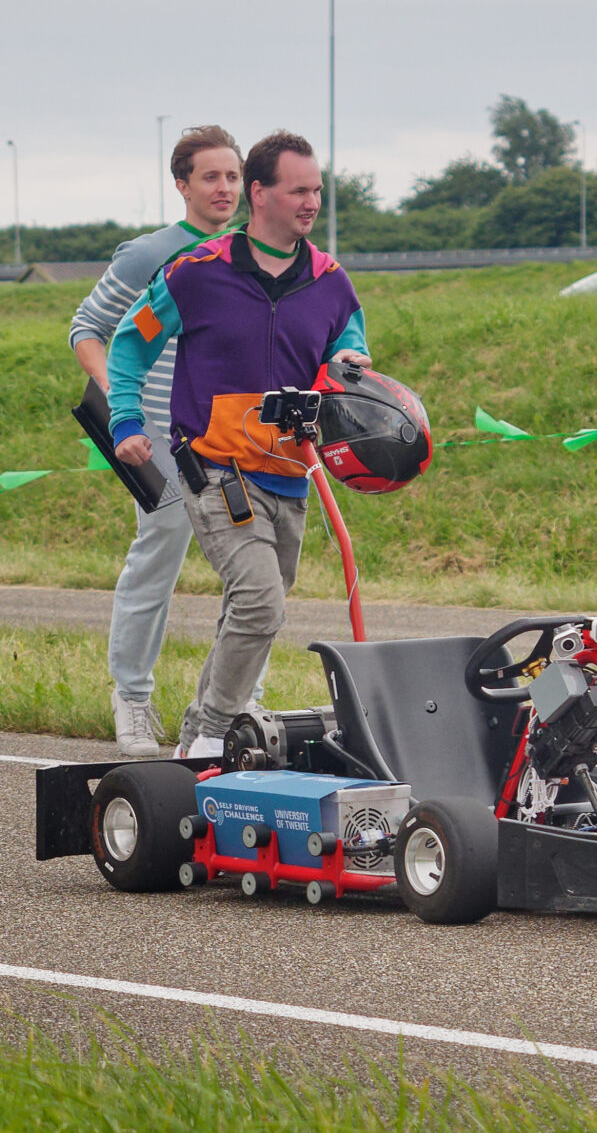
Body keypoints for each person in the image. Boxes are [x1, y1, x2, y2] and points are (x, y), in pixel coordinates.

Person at [107, 131, 368, 759]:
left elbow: (349, 342)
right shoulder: (196, 273)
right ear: (261, 193)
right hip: (215, 469)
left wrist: (349, 360)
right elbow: (128, 344)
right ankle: (208, 737)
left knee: (256, 611)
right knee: (258, 602)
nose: (312, 202)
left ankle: (203, 720)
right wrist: (124, 423)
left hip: (292, 474)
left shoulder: (331, 280)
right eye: (298, 190)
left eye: (316, 190)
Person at [69, 126, 241, 756]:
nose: (224, 189)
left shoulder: (255, 251)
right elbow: (88, 329)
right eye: (210, 177)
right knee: (159, 554)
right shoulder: (150, 254)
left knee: (247, 568)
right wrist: (124, 406)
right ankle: (132, 698)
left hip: (230, 434)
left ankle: (237, 701)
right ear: (182, 185)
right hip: (156, 434)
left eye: (232, 177)